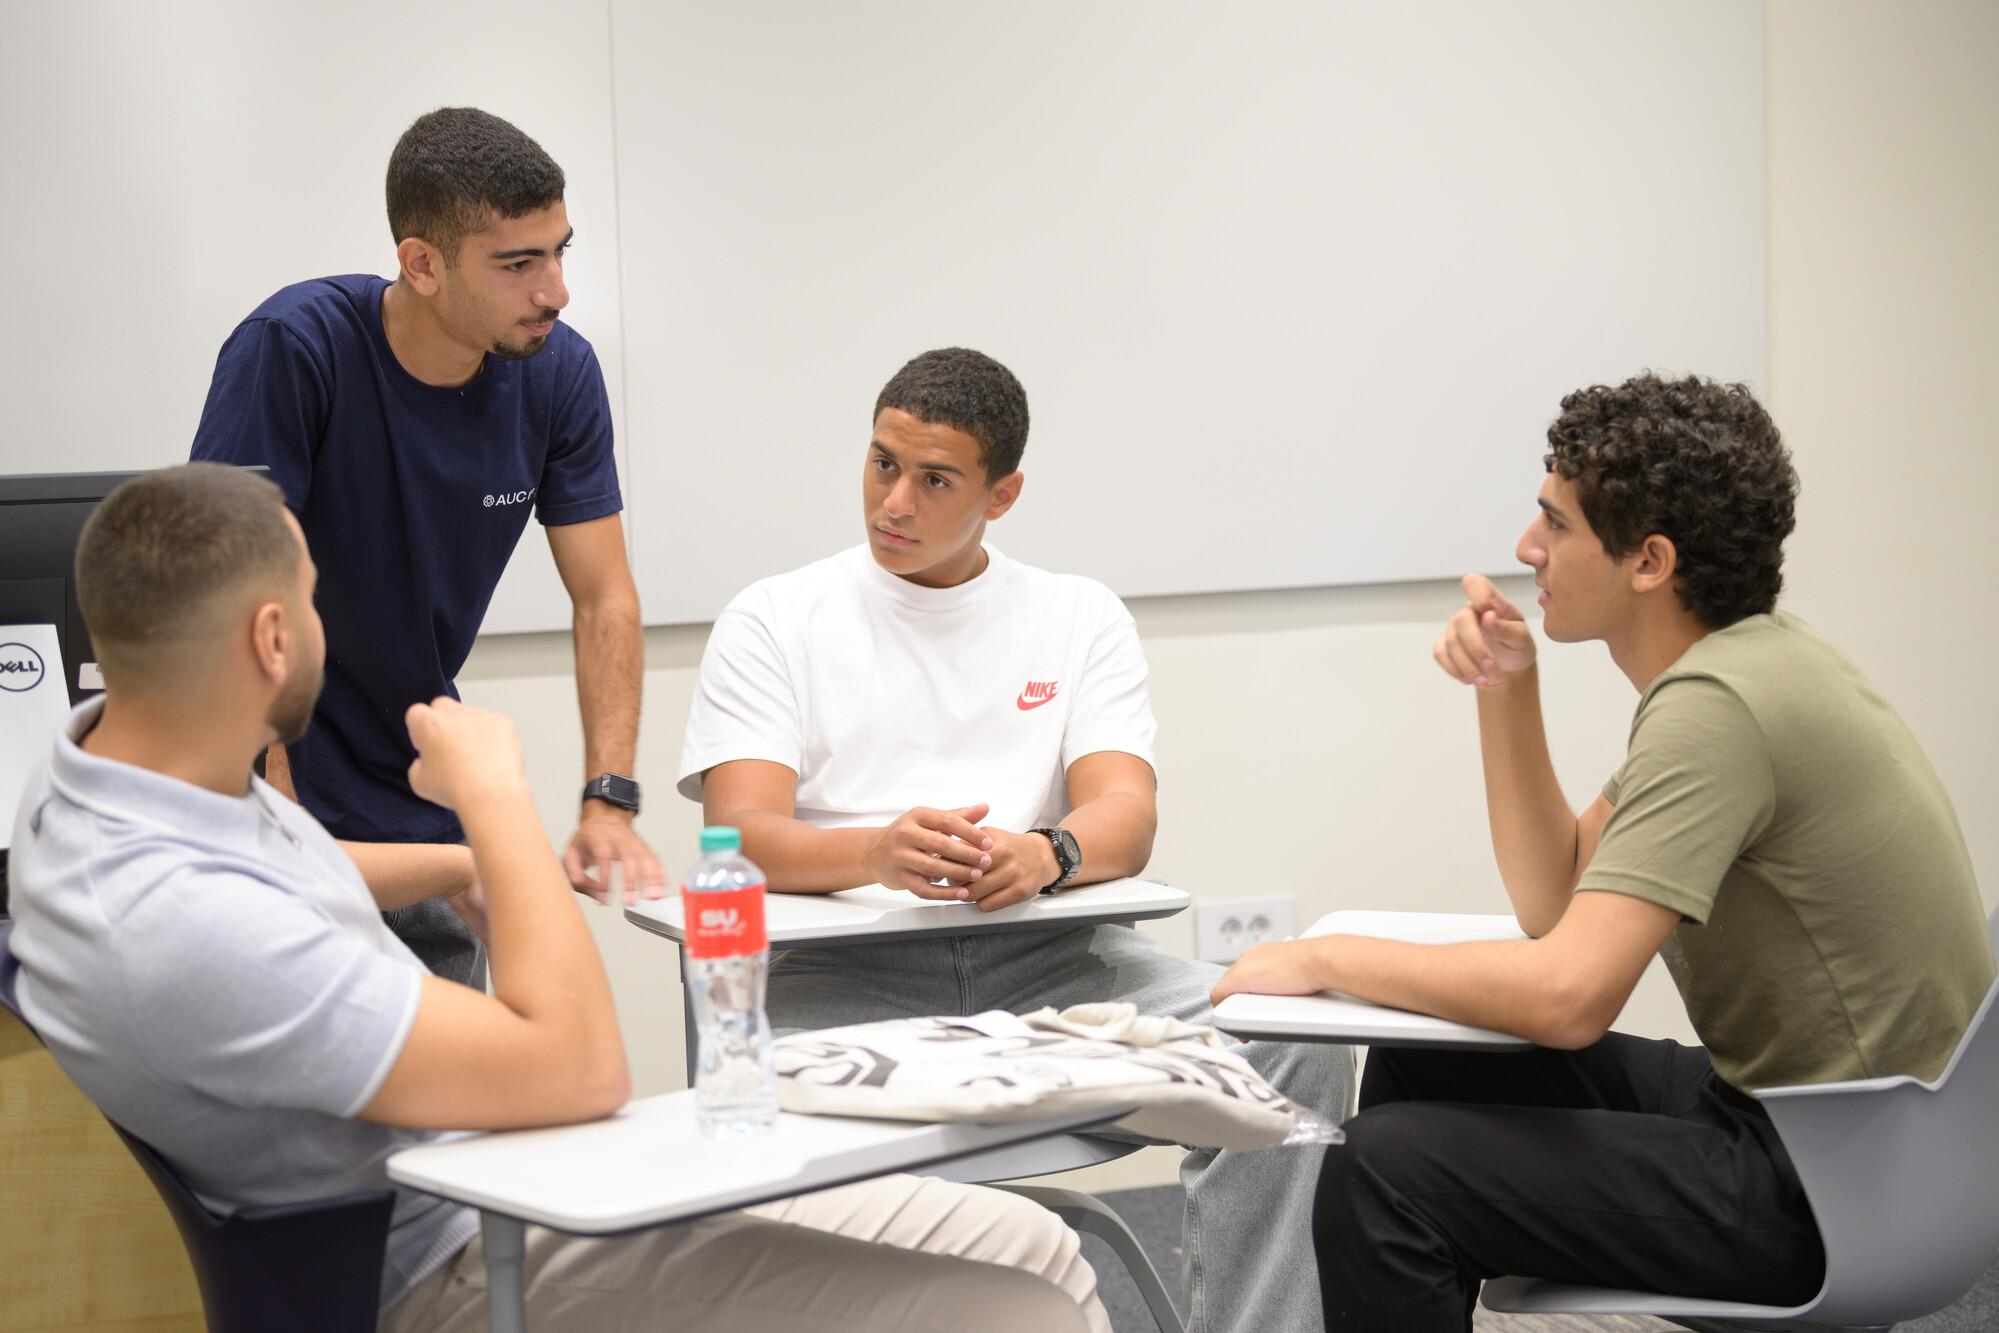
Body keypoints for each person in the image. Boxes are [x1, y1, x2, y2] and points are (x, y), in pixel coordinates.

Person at [6, 463, 1109, 1332]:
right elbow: (583, 1068)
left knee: (1030, 1242)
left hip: (499, 1178)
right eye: (312, 600)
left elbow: (278, 872)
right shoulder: (175, 925)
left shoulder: (115, 779)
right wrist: (493, 802)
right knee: (1017, 1309)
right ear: (273, 640)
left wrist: (451, 866)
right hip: (451, 1262)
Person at [1211, 374, 1997, 1331]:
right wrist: (1506, 691)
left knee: (1381, 1173)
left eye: (1556, 523)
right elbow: (1558, 898)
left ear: (1648, 560)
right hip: (1850, 1136)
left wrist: (1326, 957)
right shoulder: (1750, 658)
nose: (1524, 547)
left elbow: (1567, 998)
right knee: (1424, 1071)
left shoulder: (1718, 709)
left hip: (1834, 1187)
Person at [679, 346, 1354, 1333]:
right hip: (837, 981)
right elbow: (741, 832)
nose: (892, 501)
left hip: (1052, 966)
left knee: (1291, 1039)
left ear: (1003, 494)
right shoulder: (776, 617)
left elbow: (1125, 810)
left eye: (934, 478)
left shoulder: (1075, 615)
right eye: (879, 463)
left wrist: (1049, 853)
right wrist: (872, 854)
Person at [190, 107, 661, 990]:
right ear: (421, 264)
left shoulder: (558, 374)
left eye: (560, 251)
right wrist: (280, 821)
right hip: (275, 810)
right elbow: (230, 592)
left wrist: (610, 797)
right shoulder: (297, 348)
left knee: (456, 1115)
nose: (554, 289)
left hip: (422, 813)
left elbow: (605, 596)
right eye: (519, 264)